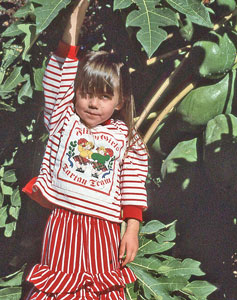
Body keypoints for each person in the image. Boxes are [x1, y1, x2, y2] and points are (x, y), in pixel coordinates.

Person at [22, 0, 148, 299]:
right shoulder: (63, 119)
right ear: (75, 94)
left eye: (104, 97)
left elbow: (133, 186)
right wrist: (77, 10)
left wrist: (131, 229)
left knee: (100, 289)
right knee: (59, 285)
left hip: (103, 229)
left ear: (119, 101)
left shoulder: (126, 138)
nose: (93, 103)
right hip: (63, 224)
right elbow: (63, 66)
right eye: (86, 94)